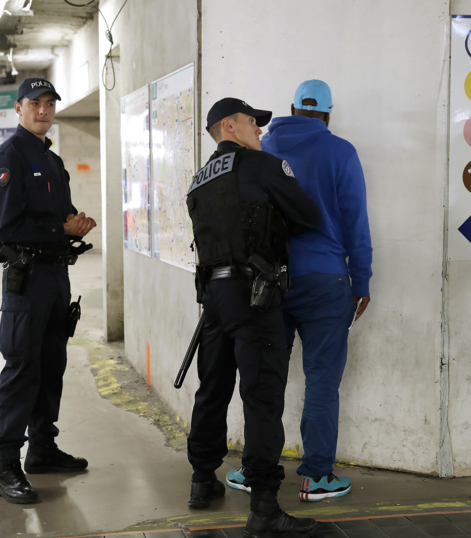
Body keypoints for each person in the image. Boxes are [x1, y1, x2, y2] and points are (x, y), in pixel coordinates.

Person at [227, 80, 372, 502]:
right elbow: (354, 220)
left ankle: (255, 471)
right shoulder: (341, 151)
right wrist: (360, 280)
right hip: (326, 280)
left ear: (290, 107)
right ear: (328, 114)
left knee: (264, 376)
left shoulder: (259, 147)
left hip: (268, 279)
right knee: (322, 379)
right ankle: (316, 477)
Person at [185, 97, 321, 537]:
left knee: (212, 389)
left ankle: (202, 481)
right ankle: (264, 507)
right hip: (254, 294)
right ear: (230, 126)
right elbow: (307, 215)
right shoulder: (262, 166)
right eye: (252, 123)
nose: (259, 131)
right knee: (262, 395)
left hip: (214, 298)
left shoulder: (198, 181)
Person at [0, 77, 97, 504]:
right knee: (21, 368)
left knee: (51, 364)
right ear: (18, 108)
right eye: (35, 103)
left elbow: (60, 213)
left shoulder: (51, 160)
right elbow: (7, 229)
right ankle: (6, 466)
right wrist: (58, 228)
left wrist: (75, 223)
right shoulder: (9, 157)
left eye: (49, 104)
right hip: (26, 278)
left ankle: (42, 449)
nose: (43, 111)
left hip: (55, 277)